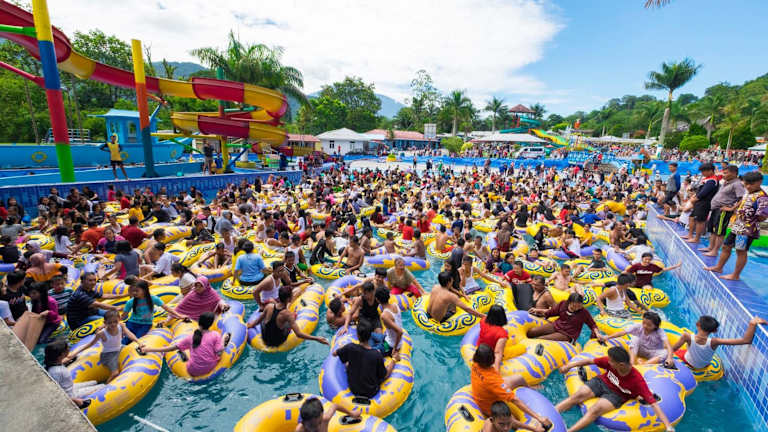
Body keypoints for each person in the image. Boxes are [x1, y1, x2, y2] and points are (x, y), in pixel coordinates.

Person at [556, 346, 675, 432]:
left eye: (611, 361)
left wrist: (668, 427)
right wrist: (569, 366)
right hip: (601, 382)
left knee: (595, 410)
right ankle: (553, 413)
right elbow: (589, 361)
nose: (608, 362)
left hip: (617, 395)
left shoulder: (637, 381)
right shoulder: (610, 362)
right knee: (577, 396)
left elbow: (654, 404)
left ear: (621, 365)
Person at [471, 344, 551, 431]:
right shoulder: (493, 381)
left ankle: (530, 388)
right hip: (488, 406)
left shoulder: (475, 363)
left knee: (519, 378)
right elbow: (515, 400)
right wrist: (539, 418)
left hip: (485, 391)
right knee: (509, 422)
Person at [705, 171, 768, 281]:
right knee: (726, 246)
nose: (748, 186)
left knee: (740, 251)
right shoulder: (748, 193)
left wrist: (748, 217)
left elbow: (762, 216)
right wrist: (734, 210)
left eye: (751, 184)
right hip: (737, 226)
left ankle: (735, 275)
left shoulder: (762, 198)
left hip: (747, 229)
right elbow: (741, 203)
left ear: (759, 182)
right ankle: (719, 267)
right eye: (746, 184)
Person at [139, 312, 230, 378]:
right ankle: (185, 354)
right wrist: (223, 341)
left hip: (193, 371)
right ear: (211, 324)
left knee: (181, 349)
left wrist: (148, 349)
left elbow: (170, 349)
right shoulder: (215, 335)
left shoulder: (190, 337)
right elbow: (219, 352)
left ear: (199, 322)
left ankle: (183, 355)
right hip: (210, 367)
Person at [66, 310, 142, 382]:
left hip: (120, 348)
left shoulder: (121, 326)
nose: (113, 324)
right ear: (105, 323)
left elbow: (129, 334)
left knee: (134, 353)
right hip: (108, 355)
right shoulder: (102, 333)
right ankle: (106, 385)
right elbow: (90, 344)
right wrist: (74, 354)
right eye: (110, 322)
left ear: (119, 320)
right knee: (115, 373)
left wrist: (139, 342)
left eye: (115, 322)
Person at [671, 315, 766, 370]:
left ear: (697, 324)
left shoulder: (687, 336)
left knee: (677, 351)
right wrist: (752, 324)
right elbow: (746, 340)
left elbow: (673, 349)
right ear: (715, 331)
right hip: (703, 366)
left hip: (687, 362)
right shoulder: (715, 342)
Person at [246, 285, 328, 347]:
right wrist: (317, 338)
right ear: (288, 299)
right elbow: (298, 334)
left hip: (265, 339)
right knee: (291, 320)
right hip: (277, 341)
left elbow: (259, 320)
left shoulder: (269, 306)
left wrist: (250, 325)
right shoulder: (287, 314)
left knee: (264, 319)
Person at [333, 318, 393, 399]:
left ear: (357, 335)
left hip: (354, 389)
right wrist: (394, 360)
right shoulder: (376, 355)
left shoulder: (350, 347)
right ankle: (383, 340)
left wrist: (342, 348)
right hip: (371, 392)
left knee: (348, 363)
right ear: (370, 335)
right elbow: (385, 376)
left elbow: (334, 354)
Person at [701, 165, 745, 257]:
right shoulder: (726, 182)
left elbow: (742, 199)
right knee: (713, 230)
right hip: (716, 209)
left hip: (723, 211)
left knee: (719, 232)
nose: (723, 175)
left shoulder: (737, 184)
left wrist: (732, 208)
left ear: (734, 173)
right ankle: (710, 247)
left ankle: (715, 251)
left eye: (725, 173)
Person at [602, 311, 675, 366]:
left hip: (653, 352)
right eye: (644, 323)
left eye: (649, 325)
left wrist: (669, 358)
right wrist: (607, 337)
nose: (645, 326)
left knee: (665, 352)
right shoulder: (638, 326)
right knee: (635, 338)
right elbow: (623, 332)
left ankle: (644, 364)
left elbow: (668, 345)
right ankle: (632, 363)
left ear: (655, 326)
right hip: (640, 349)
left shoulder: (660, 331)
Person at [45, 339, 101, 409]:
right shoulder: (57, 372)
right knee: (102, 386)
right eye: (67, 348)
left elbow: (68, 358)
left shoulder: (55, 363)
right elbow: (55, 392)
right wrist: (76, 401)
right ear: (61, 355)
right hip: (71, 395)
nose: (69, 349)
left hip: (71, 387)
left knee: (94, 382)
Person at [527, 293, 604, 343]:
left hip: (568, 334)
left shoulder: (583, 312)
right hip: (556, 325)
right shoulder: (563, 304)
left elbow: (592, 324)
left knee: (541, 339)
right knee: (531, 332)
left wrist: (597, 334)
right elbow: (551, 312)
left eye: (579, 306)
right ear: (569, 302)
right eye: (574, 306)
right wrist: (537, 310)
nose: (577, 308)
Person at [681, 163, 718, 245]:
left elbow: (704, 193)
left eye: (703, 171)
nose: (702, 173)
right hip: (698, 202)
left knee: (700, 221)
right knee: (691, 217)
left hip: (704, 203)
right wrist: (694, 197)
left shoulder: (712, 181)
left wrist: (695, 199)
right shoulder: (707, 179)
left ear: (710, 171)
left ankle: (697, 238)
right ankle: (690, 235)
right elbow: (699, 190)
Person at [371, 287, 404, 360]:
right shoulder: (395, 305)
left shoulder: (384, 315)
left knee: (369, 353)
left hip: (389, 346)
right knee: (369, 335)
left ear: (377, 300)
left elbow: (400, 331)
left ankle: (377, 349)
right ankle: (377, 347)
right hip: (386, 338)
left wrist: (395, 348)